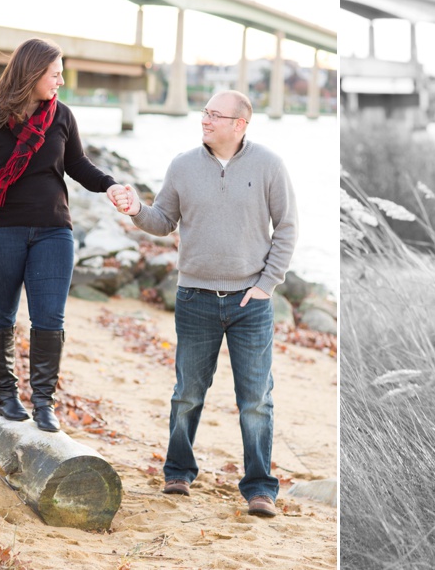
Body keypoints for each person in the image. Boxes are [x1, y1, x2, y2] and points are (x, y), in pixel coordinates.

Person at [111, 89, 297, 518]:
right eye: (205, 112)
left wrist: (267, 284)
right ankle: (178, 471)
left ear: (240, 124)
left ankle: (259, 488)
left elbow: (287, 227)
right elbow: (162, 220)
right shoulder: (182, 165)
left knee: (256, 399)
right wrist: (137, 208)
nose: (205, 119)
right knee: (188, 393)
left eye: (216, 114)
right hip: (195, 297)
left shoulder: (269, 165)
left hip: (251, 301)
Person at [0, 37, 128, 433]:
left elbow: (77, 163)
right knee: (0, 315)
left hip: (53, 230)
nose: (60, 81)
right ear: (32, 74)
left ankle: (44, 403)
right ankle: (6, 396)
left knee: (49, 318)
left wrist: (109, 185)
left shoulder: (61, 116)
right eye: (55, 74)